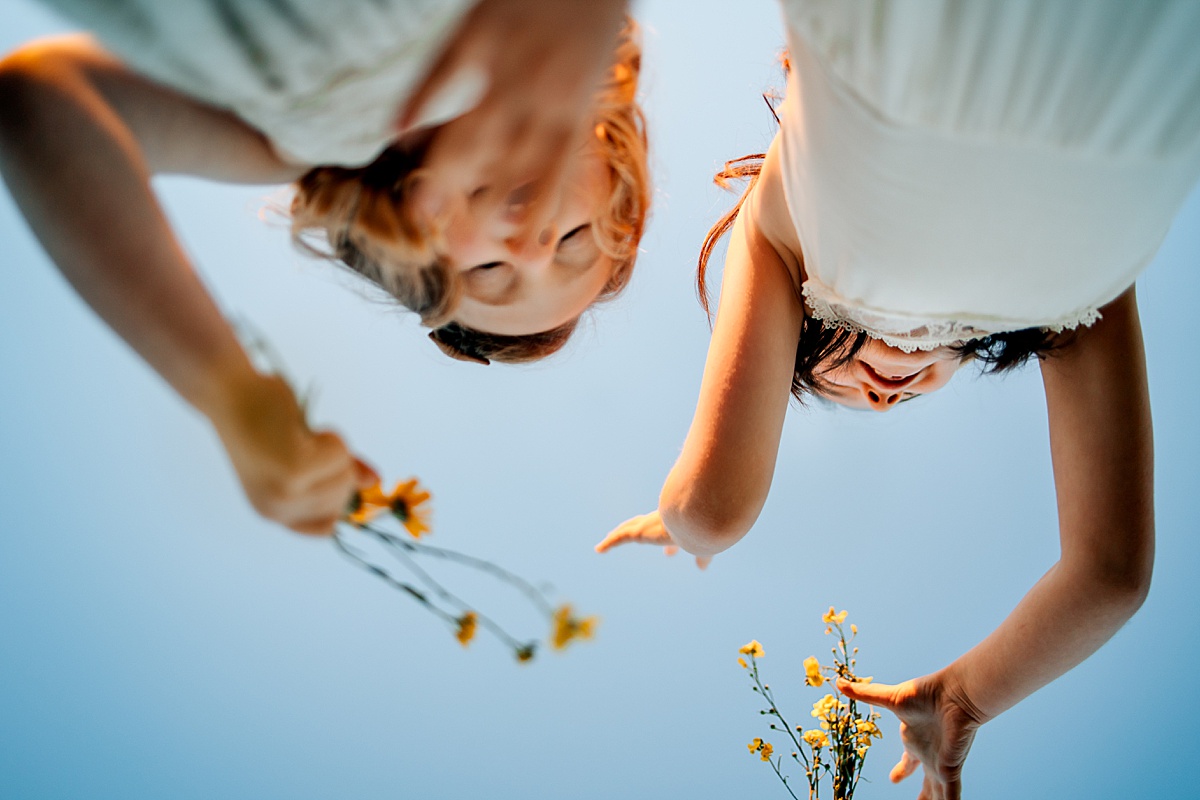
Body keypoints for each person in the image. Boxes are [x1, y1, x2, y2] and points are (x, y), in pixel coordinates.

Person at [596, 1, 1200, 797]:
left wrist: (681, 521)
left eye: (829, 379)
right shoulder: (1066, 304)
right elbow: (1111, 573)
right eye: (900, 404)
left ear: (797, 321)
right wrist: (964, 696)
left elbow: (713, 507)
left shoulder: (781, 223)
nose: (881, 398)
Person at [0, 0, 649, 535]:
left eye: (488, 274)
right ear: (609, 156)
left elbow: (38, 101)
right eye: (574, 237)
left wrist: (227, 391)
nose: (532, 250)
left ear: (413, 251)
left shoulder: (289, 143)